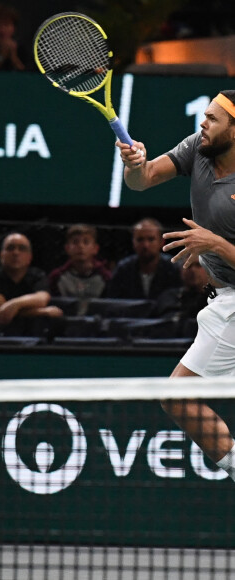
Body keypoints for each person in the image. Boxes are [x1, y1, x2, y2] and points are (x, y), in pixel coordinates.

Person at [117, 89, 235, 482]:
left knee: (177, 396)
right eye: (205, 115)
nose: (203, 123)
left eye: (214, 119)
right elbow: (142, 180)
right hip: (222, 299)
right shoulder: (197, 149)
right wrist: (134, 164)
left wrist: (215, 244)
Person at [0, 232, 62, 334]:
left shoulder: (37, 275)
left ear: (30, 257)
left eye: (22, 248)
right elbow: (1, 309)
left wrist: (15, 304)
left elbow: (42, 299)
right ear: (1, 255)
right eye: (10, 248)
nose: (16, 253)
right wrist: (42, 312)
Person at [107, 218, 182, 300]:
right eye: (140, 240)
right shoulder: (123, 269)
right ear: (133, 242)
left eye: (151, 239)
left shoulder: (174, 268)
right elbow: (112, 303)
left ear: (161, 242)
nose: (145, 245)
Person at [48, 224, 112, 307]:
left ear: (95, 249)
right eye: (75, 242)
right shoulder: (56, 277)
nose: (80, 246)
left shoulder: (106, 277)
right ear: (67, 248)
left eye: (86, 242)